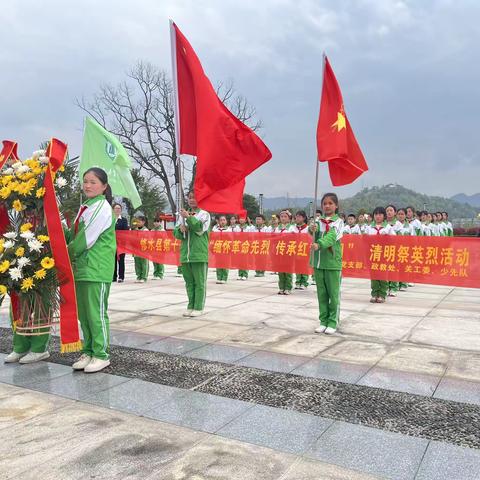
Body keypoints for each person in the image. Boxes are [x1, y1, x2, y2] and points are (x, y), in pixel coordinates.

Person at [67, 167, 116, 373]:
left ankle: (101, 354)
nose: (87, 185)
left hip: (96, 268)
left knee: (96, 313)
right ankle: (88, 350)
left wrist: (65, 254)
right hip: (82, 268)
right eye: (85, 181)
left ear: (104, 187)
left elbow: (85, 240)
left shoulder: (102, 207)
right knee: (84, 314)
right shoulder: (86, 206)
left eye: (93, 182)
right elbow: (73, 234)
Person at [311, 193, 344, 335]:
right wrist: (311, 228)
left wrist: (319, 244)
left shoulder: (339, 222)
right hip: (318, 262)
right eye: (325, 203)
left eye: (330, 203)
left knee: (333, 294)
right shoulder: (319, 221)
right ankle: (323, 321)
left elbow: (331, 237)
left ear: (336, 205)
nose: (327, 206)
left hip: (332, 263)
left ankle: (332, 321)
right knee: (322, 294)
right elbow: (314, 232)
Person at [173, 191, 210, 317]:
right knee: (189, 282)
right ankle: (191, 305)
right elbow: (176, 233)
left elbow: (199, 228)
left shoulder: (204, 214)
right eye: (190, 198)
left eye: (194, 197)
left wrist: (188, 218)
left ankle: (198, 307)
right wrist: (180, 229)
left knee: (199, 282)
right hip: (185, 254)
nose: (192, 200)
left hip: (198, 254)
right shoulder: (182, 214)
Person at [366, 207, 396, 303]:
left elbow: (395, 239)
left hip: (384, 255)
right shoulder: (369, 227)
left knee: (383, 275)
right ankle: (374, 294)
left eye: (380, 214)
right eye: (376, 214)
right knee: (374, 275)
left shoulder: (388, 227)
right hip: (373, 255)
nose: (378, 216)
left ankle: (382, 294)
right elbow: (364, 240)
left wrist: (388, 238)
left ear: (384, 216)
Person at [275, 210, 294, 295]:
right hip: (279, 251)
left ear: (289, 218)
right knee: (280, 270)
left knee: (288, 270)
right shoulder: (277, 228)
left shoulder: (292, 228)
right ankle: (281, 287)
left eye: (285, 216)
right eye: (281, 217)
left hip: (288, 251)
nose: (283, 218)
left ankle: (288, 287)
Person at [386, 205, 403, 297]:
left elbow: (400, 237)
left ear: (395, 212)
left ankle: (393, 288)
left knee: (393, 269)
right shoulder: (382, 223)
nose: (389, 212)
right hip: (384, 250)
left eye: (391, 210)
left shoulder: (398, 224)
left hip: (395, 249)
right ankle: (386, 287)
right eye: (387, 210)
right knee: (385, 269)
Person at [291, 210, 310, 289]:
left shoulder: (308, 228)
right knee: (297, 266)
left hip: (305, 250)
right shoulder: (293, 228)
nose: (297, 218)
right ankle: (298, 281)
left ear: (304, 218)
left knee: (304, 266)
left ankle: (304, 282)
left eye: (299, 217)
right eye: (296, 217)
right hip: (295, 249)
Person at [112, 203, 129, 283]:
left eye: (119, 208)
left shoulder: (124, 220)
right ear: (113, 209)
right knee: (113, 260)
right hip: (112, 243)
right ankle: (113, 276)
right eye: (116, 208)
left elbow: (126, 231)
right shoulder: (110, 219)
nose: (117, 210)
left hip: (121, 244)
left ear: (121, 210)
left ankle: (121, 276)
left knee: (121, 260)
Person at [212, 214, 230, 284]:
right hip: (218, 248)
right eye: (221, 220)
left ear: (226, 221)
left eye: (224, 220)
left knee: (225, 263)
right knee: (218, 263)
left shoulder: (229, 229)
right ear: (218, 221)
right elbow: (212, 238)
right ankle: (219, 277)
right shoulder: (215, 229)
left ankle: (224, 278)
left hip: (226, 248)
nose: (222, 221)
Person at [133, 215, 149, 283]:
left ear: (143, 222)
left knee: (144, 263)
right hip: (136, 249)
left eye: (140, 221)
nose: (138, 222)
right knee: (137, 263)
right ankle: (138, 276)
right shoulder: (135, 229)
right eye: (137, 221)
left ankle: (144, 277)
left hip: (143, 249)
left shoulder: (146, 230)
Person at [235, 214, 251, 280]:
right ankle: (240, 274)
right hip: (238, 245)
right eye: (240, 218)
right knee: (239, 260)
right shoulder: (237, 227)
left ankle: (245, 274)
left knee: (245, 260)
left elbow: (250, 237)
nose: (241, 220)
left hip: (245, 245)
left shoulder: (248, 228)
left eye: (243, 218)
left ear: (245, 220)